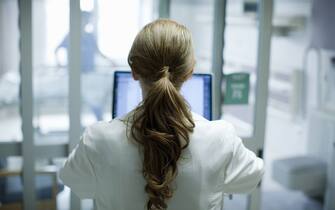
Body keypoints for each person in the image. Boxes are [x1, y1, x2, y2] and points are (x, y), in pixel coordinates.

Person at [59, 19, 264, 210]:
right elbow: (253, 176)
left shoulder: (98, 139)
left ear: (134, 70)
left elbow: (72, 180)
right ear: (189, 72)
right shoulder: (220, 138)